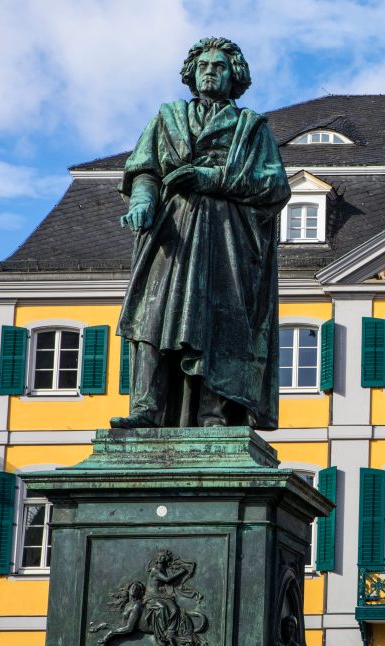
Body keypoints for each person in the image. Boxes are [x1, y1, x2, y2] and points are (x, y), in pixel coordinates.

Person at [112, 37, 290, 429]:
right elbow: (144, 170)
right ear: (191, 73)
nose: (211, 71)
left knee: (221, 322)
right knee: (152, 316)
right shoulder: (167, 118)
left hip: (230, 239)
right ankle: (147, 407)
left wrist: (207, 177)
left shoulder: (252, 127)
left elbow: (274, 184)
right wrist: (141, 201)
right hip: (171, 233)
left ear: (235, 77)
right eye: (204, 65)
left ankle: (215, 414)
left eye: (220, 66)